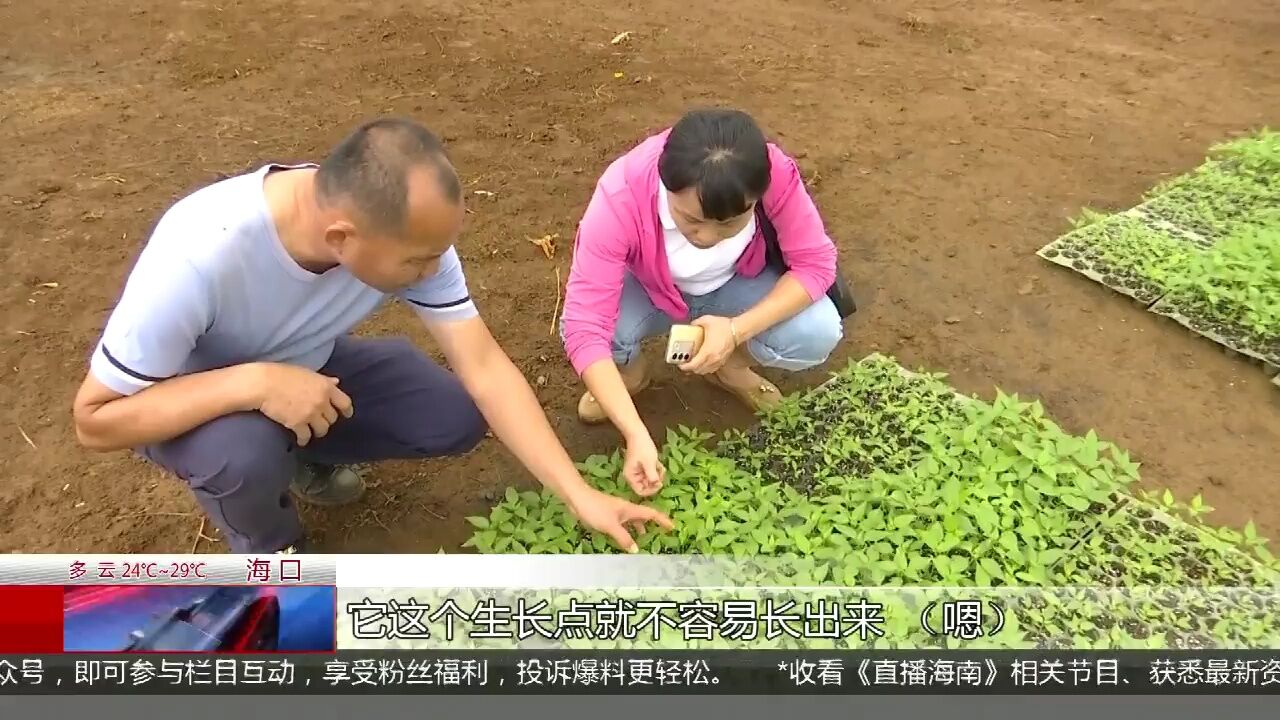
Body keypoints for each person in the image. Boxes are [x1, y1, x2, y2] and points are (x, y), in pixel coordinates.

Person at [72, 117, 673, 554]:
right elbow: (95, 419)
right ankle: (272, 551)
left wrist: (577, 493)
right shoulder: (200, 254)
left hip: (309, 367)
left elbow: (484, 367)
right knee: (244, 455)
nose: (434, 270)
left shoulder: (405, 233)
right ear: (341, 240)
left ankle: (302, 452)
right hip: (186, 403)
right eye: (418, 262)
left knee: (454, 415)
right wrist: (254, 384)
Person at [560, 108, 844, 498]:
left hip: (737, 285)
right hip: (649, 290)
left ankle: (729, 365)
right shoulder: (621, 195)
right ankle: (628, 378)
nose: (708, 237)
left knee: (816, 330)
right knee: (606, 334)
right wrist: (635, 432)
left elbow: (815, 264)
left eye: (730, 223)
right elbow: (583, 324)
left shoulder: (773, 173)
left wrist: (734, 331)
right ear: (666, 183)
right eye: (690, 220)